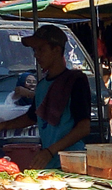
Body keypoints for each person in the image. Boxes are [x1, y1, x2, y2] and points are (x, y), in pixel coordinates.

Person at [0, 25, 91, 169]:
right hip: (50, 164)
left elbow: (84, 128)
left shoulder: (76, 80)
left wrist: (50, 151)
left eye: (41, 49)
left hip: (73, 162)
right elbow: (32, 117)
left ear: (56, 50)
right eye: (34, 50)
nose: (36, 55)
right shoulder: (42, 85)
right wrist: (3, 125)